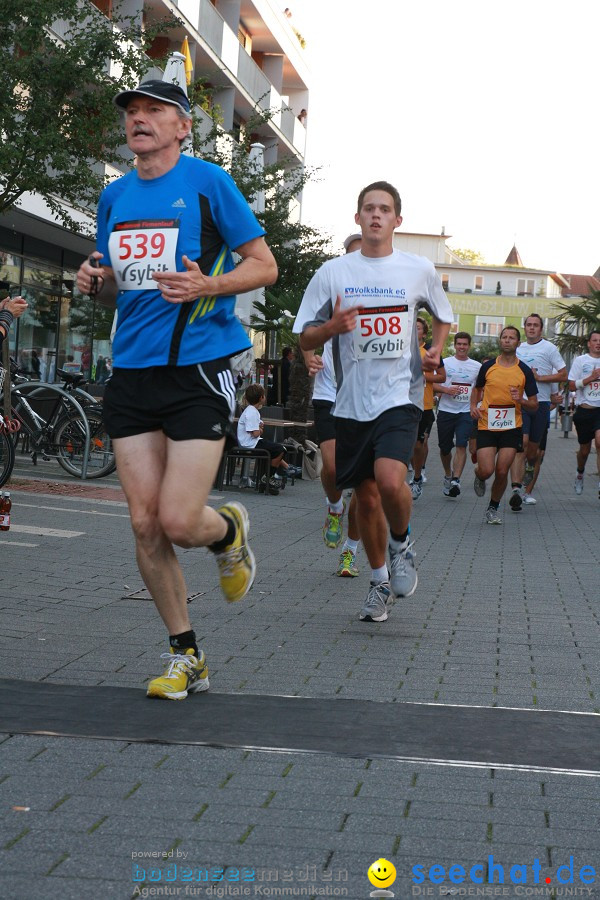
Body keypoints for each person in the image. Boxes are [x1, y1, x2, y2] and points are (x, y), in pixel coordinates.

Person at [76, 78, 277, 700]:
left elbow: (264, 265)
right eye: (132, 111)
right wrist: (93, 278)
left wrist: (207, 288)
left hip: (198, 368)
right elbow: (117, 286)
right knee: (144, 525)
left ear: (183, 125)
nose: (139, 119)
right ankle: (186, 655)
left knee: (180, 520)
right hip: (132, 372)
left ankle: (228, 533)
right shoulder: (113, 195)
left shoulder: (209, 183)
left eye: (154, 111)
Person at [297, 181, 453, 622]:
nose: (376, 215)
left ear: (397, 220)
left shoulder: (417, 269)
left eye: (385, 209)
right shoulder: (333, 272)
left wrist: (436, 348)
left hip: (399, 396)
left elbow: (443, 315)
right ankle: (379, 581)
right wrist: (330, 329)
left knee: (388, 481)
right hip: (349, 403)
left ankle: (402, 545)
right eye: (369, 208)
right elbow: (305, 333)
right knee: (364, 500)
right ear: (357, 217)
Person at [294, 231, 383, 578]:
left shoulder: (386, 294)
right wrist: (308, 356)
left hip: (368, 400)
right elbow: (304, 328)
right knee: (331, 469)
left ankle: (350, 551)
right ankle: (334, 507)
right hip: (331, 393)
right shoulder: (329, 287)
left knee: (364, 483)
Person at [470, 326, 538, 524]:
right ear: (500, 341)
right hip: (487, 424)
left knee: (502, 471)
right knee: (486, 470)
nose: (507, 340)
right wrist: (473, 406)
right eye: (504, 337)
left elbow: (534, 404)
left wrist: (521, 400)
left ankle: (493, 508)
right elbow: (477, 389)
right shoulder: (488, 366)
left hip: (511, 426)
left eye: (511, 338)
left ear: (518, 343)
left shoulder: (524, 370)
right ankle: (478, 474)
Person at [507, 313, 566, 511]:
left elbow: (563, 374)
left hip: (540, 404)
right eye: (529, 325)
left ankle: (528, 479)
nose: (532, 328)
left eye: (536, 325)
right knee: (521, 445)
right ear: (525, 328)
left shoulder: (549, 348)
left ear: (541, 329)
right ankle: (517, 490)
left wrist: (539, 379)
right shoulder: (518, 348)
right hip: (521, 403)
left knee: (534, 453)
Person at [434, 331, 481, 497]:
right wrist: (446, 389)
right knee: (445, 448)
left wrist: (475, 405)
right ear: (454, 345)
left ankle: (456, 480)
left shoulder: (477, 366)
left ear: (469, 346)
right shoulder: (445, 363)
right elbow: (431, 384)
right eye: (459, 344)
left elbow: (479, 389)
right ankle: (448, 474)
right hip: (446, 410)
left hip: (465, 412)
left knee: (462, 445)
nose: (462, 347)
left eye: (465, 344)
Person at [409, 317, 445, 500]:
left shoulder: (431, 352)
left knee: (418, 444)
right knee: (406, 444)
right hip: (402, 403)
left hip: (423, 405)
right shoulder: (400, 349)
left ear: (424, 332)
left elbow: (442, 377)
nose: (414, 330)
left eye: (418, 328)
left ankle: (417, 478)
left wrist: (423, 376)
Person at [237, 383, 287, 493]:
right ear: (261, 398)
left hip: (251, 442)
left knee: (277, 449)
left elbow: (257, 432)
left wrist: (259, 429)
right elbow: (255, 434)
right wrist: (259, 429)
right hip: (250, 444)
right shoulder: (251, 412)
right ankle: (268, 478)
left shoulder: (251, 411)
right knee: (279, 449)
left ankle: (282, 471)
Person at [568, 330, 600, 497]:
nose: (598, 343)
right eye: (595, 340)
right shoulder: (581, 361)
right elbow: (572, 386)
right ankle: (580, 473)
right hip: (584, 411)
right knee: (585, 451)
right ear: (589, 343)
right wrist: (591, 378)